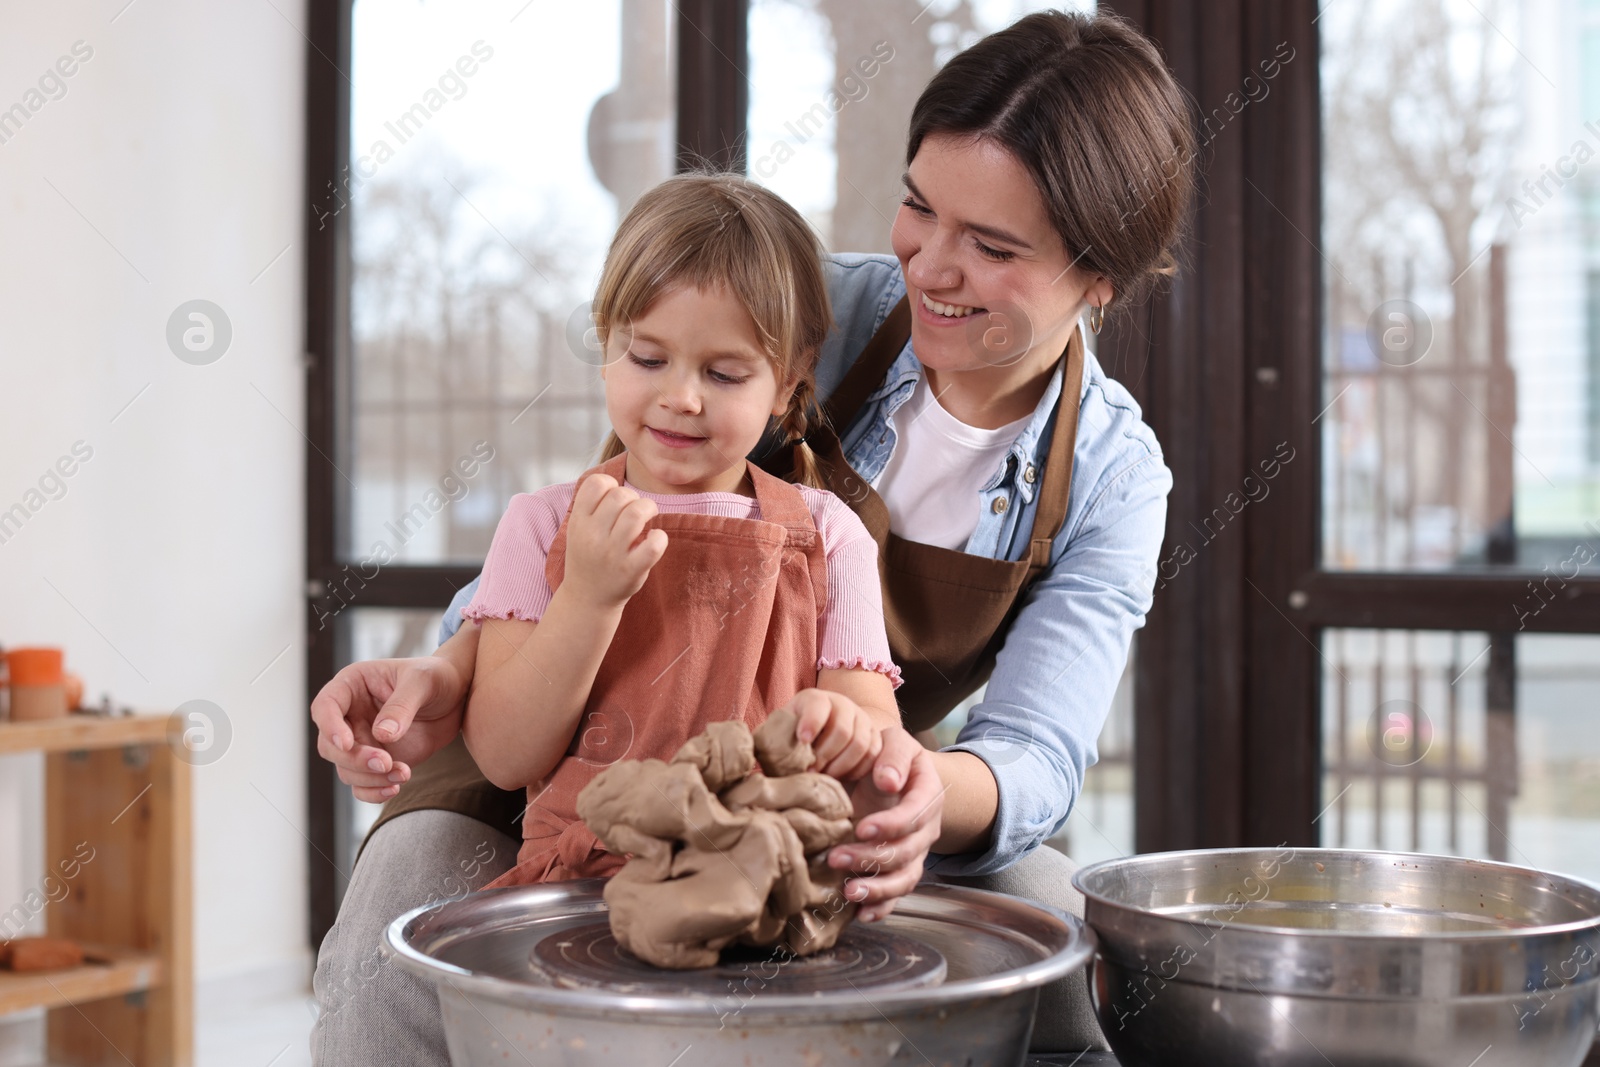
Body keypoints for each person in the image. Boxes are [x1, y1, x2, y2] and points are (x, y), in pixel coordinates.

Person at [311, 10, 1194, 1062]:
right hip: (576, 735)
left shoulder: (1111, 475)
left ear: (1099, 278)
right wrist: (447, 665)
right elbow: (597, 517)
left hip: (818, 783)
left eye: (991, 246)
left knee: (1046, 909)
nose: (929, 266)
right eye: (919, 207)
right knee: (410, 891)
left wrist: (909, 787)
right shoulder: (800, 299)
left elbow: (1034, 752)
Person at [458, 172, 904, 890]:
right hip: (579, 888)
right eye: (648, 359)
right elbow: (505, 755)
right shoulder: (540, 524)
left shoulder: (830, 536)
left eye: (725, 374)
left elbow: (876, 738)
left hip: (764, 886)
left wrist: (843, 727)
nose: (681, 397)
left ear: (788, 384)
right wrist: (590, 598)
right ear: (607, 346)